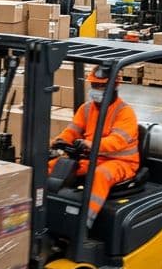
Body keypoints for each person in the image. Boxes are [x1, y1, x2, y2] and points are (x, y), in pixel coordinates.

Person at [50, 65, 139, 227]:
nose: (96, 89)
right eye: (94, 86)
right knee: (52, 166)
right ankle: (46, 212)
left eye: (101, 86)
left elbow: (116, 142)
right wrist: (59, 141)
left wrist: (89, 144)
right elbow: (72, 130)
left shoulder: (124, 112)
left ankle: (84, 224)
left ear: (115, 85)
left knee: (100, 175)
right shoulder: (86, 109)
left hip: (121, 163)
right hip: (91, 158)